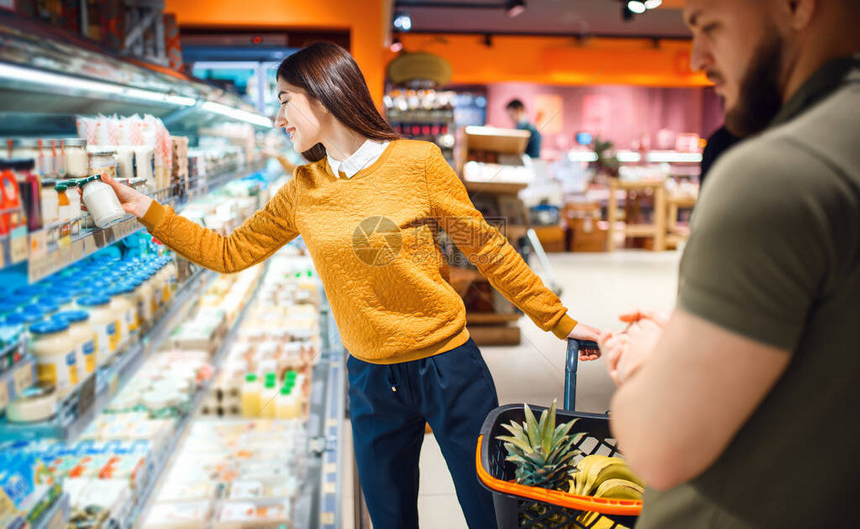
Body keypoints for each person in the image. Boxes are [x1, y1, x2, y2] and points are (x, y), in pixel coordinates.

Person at [95, 42, 602, 529]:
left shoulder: (418, 163)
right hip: (370, 379)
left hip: (448, 365)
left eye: (284, 100)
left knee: (489, 511)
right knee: (390, 517)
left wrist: (560, 322)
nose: (278, 117)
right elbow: (228, 253)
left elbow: (488, 248)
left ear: (321, 95)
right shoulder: (303, 189)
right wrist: (147, 210)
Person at [591, 0, 860, 527]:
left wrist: (644, 365)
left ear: (795, 1)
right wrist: (693, 346)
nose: (697, 60)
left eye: (708, 27)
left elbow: (660, 447)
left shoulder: (778, 174)